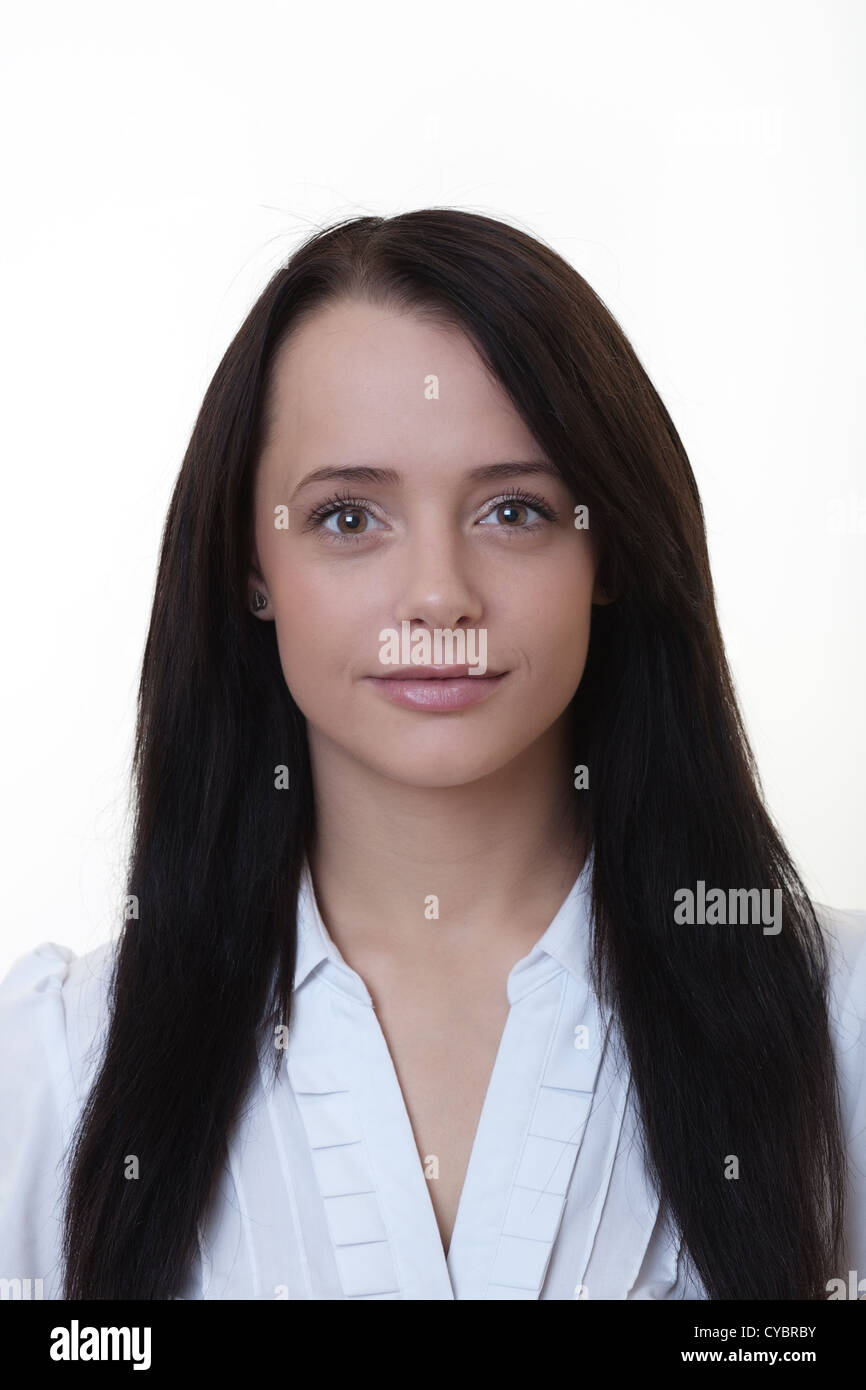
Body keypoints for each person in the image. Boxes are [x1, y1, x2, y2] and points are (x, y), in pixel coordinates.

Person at [1, 210, 864, 1301]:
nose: (437, 597)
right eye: (348, 517)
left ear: (609, 550)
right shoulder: (51, 1071)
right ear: (248, 565)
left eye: (513, 509)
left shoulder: (838, 1032)